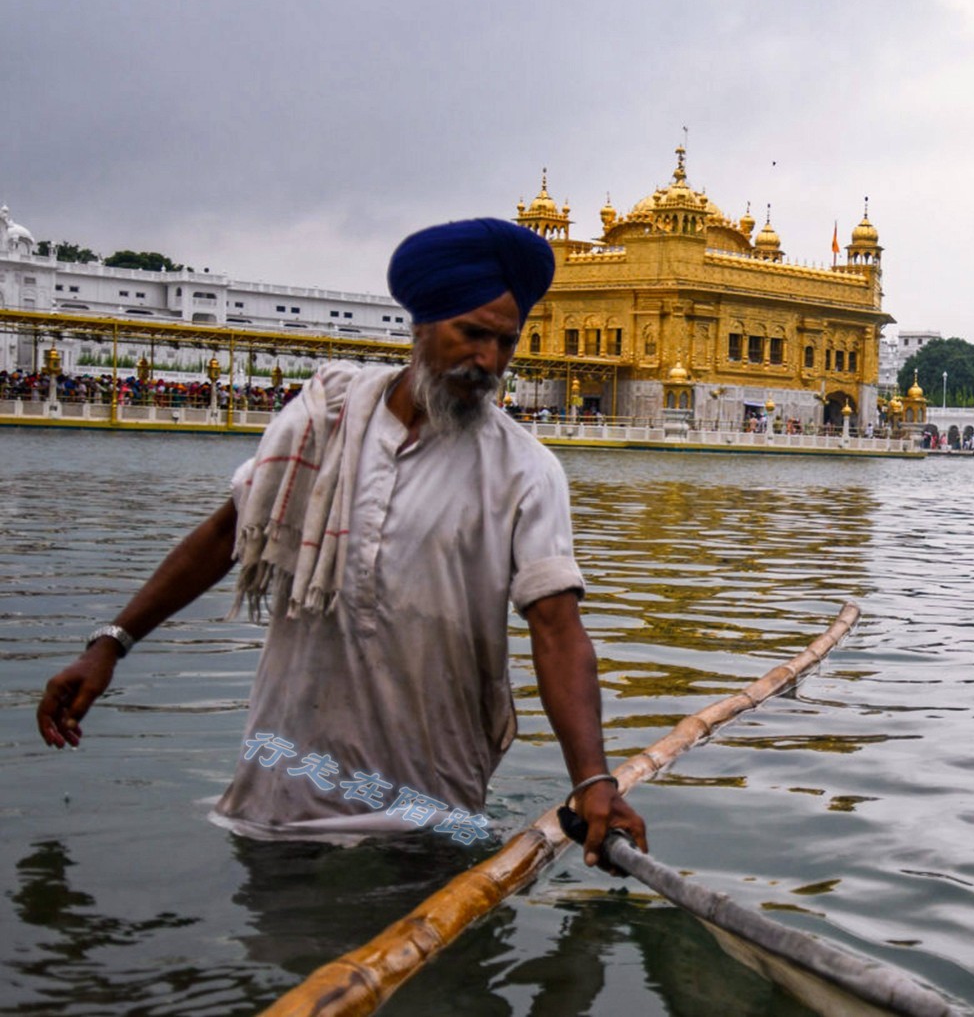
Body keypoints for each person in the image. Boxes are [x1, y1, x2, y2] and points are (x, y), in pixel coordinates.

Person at [36, 217, 646, 868]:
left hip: (426, 802)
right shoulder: (325, 421)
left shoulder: (525, 470)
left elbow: (556, 626)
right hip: (284, 783)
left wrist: (592, 778)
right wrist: (111, 644)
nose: (488, 362)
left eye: (505, 343)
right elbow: (227, 534)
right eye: (471, 335)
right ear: (421, 326)